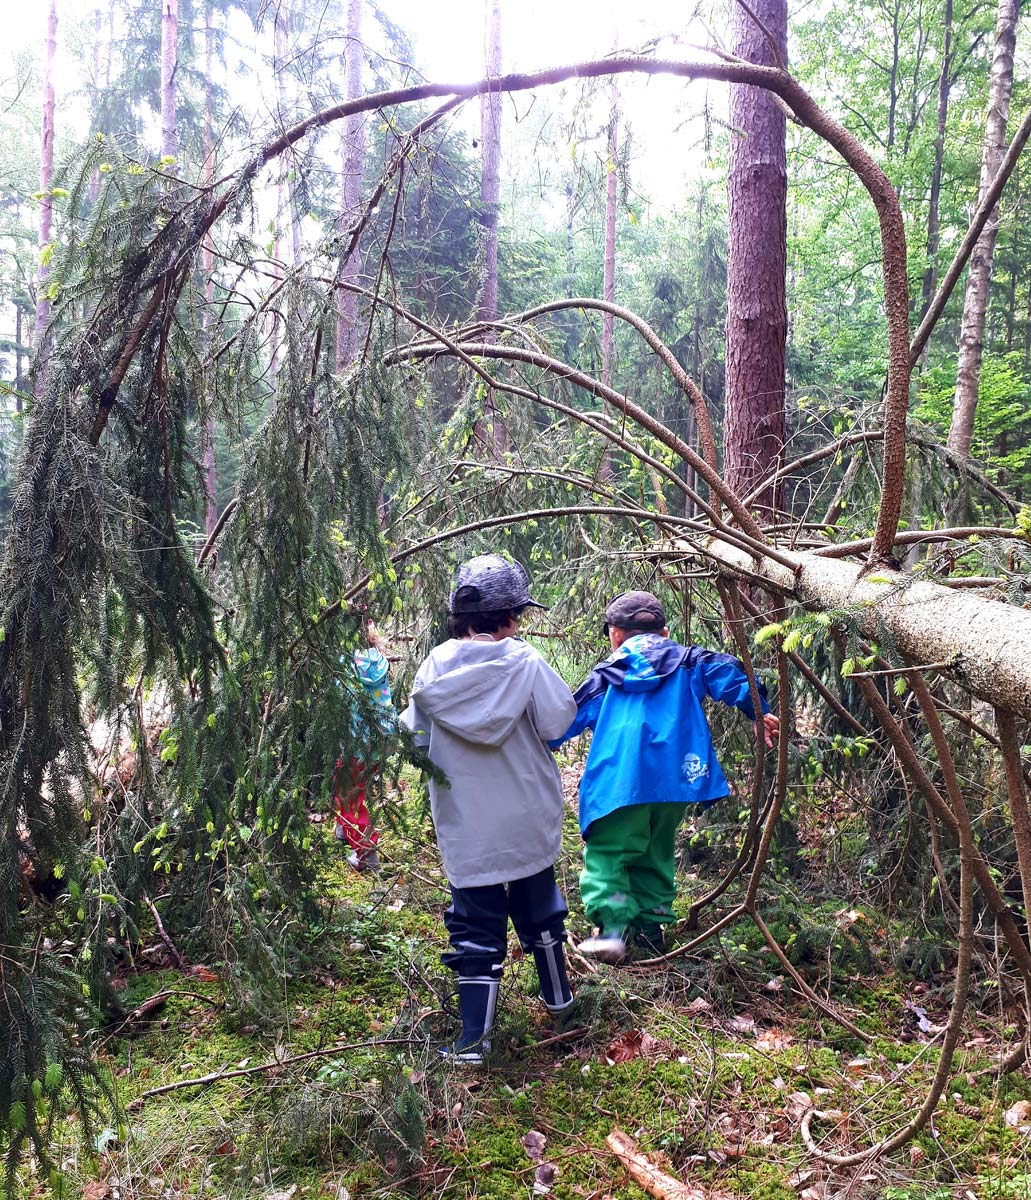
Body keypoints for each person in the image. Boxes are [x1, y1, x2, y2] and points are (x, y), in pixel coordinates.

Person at [401, 554, 578, 1062]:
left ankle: (474, 1040)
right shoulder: (526, 660)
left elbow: (411, 737)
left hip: (466, 819)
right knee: (540, 906)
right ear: (509, 617)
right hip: (526, 810)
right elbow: (556, 721)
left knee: (475, 921)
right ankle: (560, 1000)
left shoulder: (434, 666)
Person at [551, 590, 779, 964]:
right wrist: (759, 710)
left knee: (609, 852)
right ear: (666, 632)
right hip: (675, 782)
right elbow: (728, 672)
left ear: (615, 635)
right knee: (655, 850)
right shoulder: (690, 662)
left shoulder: (608, 676)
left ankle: (611, 929)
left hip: (619, 783)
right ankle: (651, 931)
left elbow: (563, 719)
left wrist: (538, 742)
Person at [333, 622, 395, 872]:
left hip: (353, 742)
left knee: (349, 798)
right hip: (379, 739)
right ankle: (342, 833)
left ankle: (367, 855)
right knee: (352, 791)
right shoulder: (377, 660)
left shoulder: (341, 663)